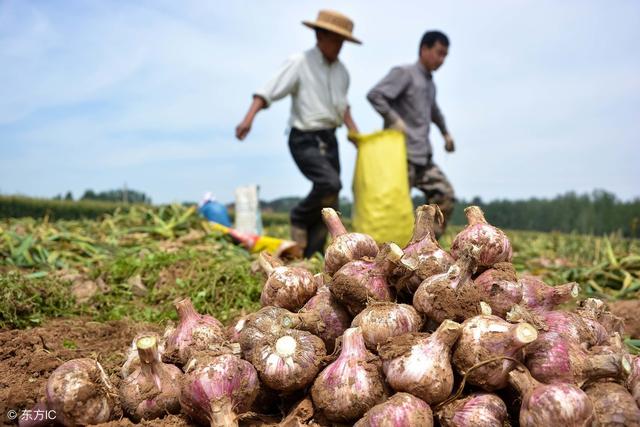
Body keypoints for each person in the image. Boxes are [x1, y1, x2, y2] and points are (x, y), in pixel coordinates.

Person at [236, 10, 361, 258]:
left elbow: (343, 105)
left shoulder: (342, 72)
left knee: (331, 200)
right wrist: (248, 119)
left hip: (329, 138)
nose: (339, 46)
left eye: (342, 42)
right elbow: (268, 90)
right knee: (329, 183)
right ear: (319, 35)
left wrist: (354, 131)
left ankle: (311, 256)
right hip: (304, 137)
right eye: (334, 40)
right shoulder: (300, 62)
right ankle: (299, 216)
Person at [367, 30, 455, 238]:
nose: (441, 59)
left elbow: (435, 112)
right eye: (439, 52)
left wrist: (446, 134)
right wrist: (394, 119)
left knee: (445, 195)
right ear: (424, 49)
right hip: (400, 157)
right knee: (394, 209)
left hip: (422, 156)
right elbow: (376, 95)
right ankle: (385, 254)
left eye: (445, 56)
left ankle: (425, 246)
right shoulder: (404, 73)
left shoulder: (430, 83)